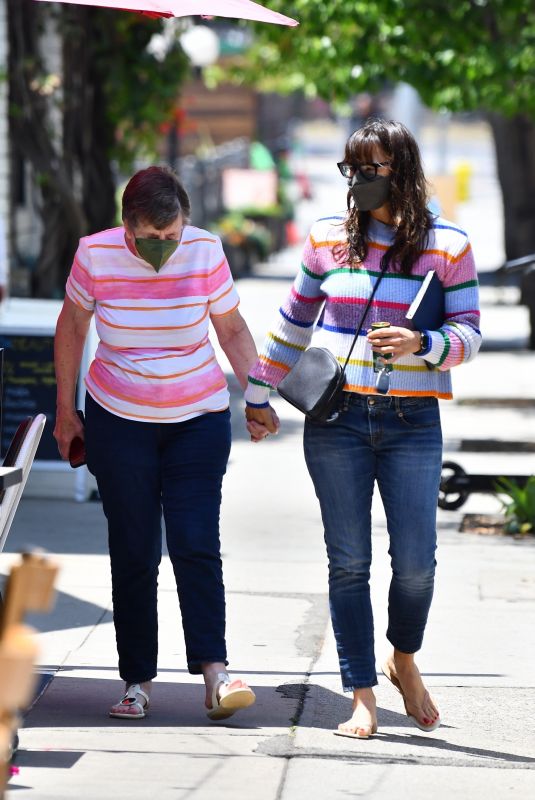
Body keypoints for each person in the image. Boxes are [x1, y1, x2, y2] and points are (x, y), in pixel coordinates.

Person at [244, 119, 481, 738]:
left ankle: (403, 656)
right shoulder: (327, 239)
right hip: (338, 420)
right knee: (348, 562)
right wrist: (258, 393)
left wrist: (420, 342)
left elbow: (469, 335)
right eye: (354, 170)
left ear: (402, 170)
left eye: (373, 169)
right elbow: (293, 323)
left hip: (412, 420)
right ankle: (362, 694)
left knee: (416, 564)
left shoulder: (448, 246)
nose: (361, 181)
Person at [54, 166, 258, 721]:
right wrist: (66, 411)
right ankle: (137, 681)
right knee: (135, 551)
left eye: (171, 237)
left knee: (195, 544)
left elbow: (232, 330)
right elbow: (71, 328)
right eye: (151, 237)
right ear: (127, 225)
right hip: (119, 417)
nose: (163, 247)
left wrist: (257, 395)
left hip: (197, 416)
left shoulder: (205, 250)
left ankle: (215, 673)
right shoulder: (95, 254)